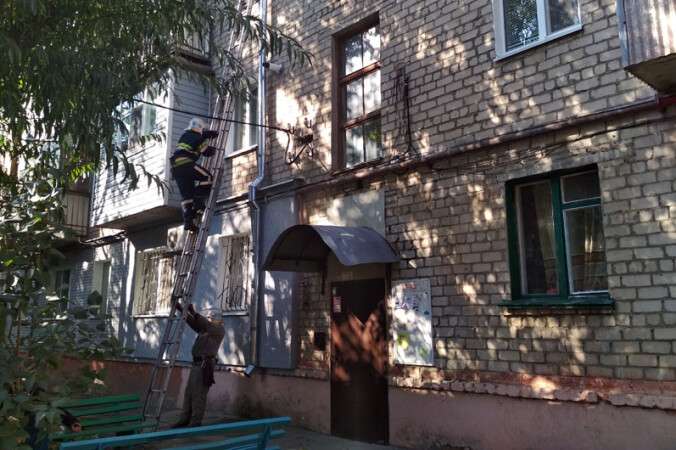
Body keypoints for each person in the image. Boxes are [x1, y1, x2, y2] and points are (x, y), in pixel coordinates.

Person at [172, 303, 225, 428]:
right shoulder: (205, 328)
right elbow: (193, 323)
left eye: (210, 317)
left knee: (199, 394)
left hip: (204, 365)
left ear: (216, 318)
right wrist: (183, 311)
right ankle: (184, 419)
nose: (208, 319)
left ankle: (195, 422)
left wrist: (194, 312)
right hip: (196, 364)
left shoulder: (218, 330)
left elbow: (204, 324)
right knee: (189, 392)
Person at [170, 117, 220, 232]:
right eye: (202, 129)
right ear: (199, 128)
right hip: (186, 163)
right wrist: (214, 149)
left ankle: (188, 222)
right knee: (208, 177)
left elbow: (196, 140)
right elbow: (206, 152)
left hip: (176, 168)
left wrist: (206, 135)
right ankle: (198, 204)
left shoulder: (185, 135)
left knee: (187, 195)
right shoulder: (198, 137)